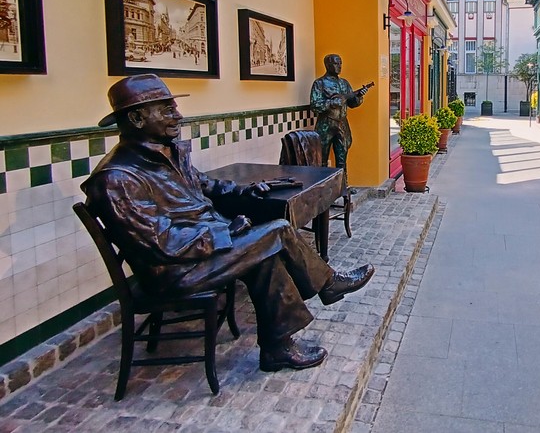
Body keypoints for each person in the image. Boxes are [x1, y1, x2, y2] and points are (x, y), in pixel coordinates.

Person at [82, 74, 375, 373]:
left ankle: (278, 348)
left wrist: (245, 191)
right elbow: (161, 242)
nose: (178, 116)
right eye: (167, 109)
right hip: (175, 271)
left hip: (201, 254)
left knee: (266, 252)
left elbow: (207, 186)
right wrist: (222, 231)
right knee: (278, 229)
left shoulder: (167, 153)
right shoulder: (116, 179)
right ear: (136, 117)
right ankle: (327, 285)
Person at [310, 54, 370, 171]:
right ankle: (323, 186)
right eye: (336, 63)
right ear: (327, 65)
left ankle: (343, 186)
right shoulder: (320, 83)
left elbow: (352, 103)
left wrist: (359, 96)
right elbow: (315, 105)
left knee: (342, 158)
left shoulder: (344, 83)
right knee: (321, 158)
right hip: (325, 124)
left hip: (342, 124)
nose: (339, 66)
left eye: (340, 63)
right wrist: (331, 103)